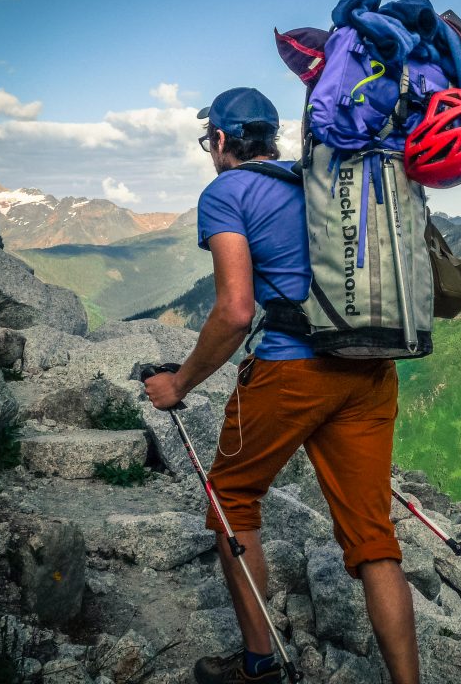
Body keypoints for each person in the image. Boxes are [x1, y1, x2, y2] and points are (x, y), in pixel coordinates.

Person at [144, 87, 421, 684]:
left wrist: (181, 383)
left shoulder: (226, 193)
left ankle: (258, 664)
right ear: (272, 137)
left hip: (291, 371)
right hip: (371, 370)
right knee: (373, 537)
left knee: (232, 499)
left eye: (207, 140)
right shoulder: (318, 182)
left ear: (219, 141)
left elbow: (235, 311)